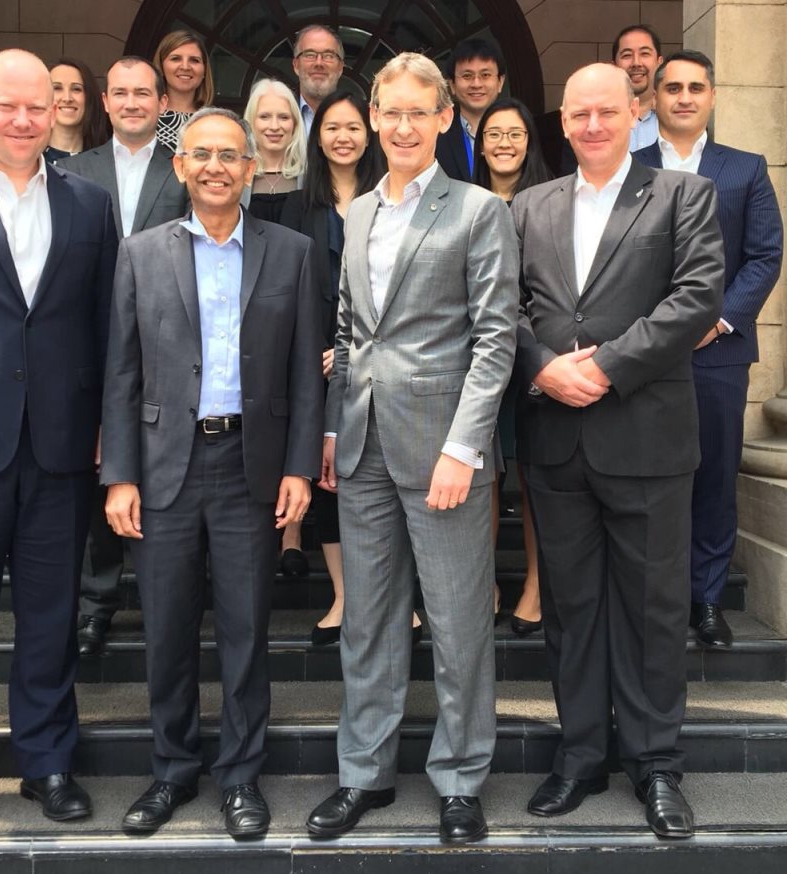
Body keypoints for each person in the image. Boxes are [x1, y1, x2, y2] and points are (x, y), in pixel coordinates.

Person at [305, 52, 518, 845]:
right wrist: (331, 426)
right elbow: (348, 330)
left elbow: (496, 340)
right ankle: (364, 773)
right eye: (386, 113)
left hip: (443, 454)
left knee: (460, 625)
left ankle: (460, 779)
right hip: (360, 448)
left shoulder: (474, 212)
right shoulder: (357, 212)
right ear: (375, 119)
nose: (399, 127)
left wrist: (465, 448)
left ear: (439, 120)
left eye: (414, 113)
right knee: (369, 622)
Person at [511, 63, 724, 839]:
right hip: (558, 442)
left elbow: (698, 295)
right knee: (572, 610)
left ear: (636, 113)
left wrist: (604, 365)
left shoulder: (681, 195)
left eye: (607, 110)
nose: (593, 124)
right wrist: (540, 366)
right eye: (578, 113)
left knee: (652, 610)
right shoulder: (529, 205)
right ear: (561, 123)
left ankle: (657, 763)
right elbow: (507, 308)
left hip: (646, 437)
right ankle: (580, 756)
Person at [100, 107, 323, 839]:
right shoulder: (140, 252)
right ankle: (170, 771)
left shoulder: (289, 251)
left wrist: (298, 467)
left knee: (244, 630)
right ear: (180, 166)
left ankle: (240, 776)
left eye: (231, 155)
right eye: (202, 155)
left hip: (249, 466)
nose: (217, 167)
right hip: (165, 467)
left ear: (252, 168)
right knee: (165, 630)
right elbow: (122, 372)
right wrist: (120, 474)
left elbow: (304, 372)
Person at [0, 48, 117, 847]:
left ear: (58, 112)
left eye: (38, 107)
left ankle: (48, 763)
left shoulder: (87, 205)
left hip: (60, 442)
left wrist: (112, 422)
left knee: (51, 615)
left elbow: (108, 324)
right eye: (7, 106)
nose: (23, 120)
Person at [634, 50, 783, 648]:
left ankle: (708, 599)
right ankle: (658, 600)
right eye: (673, 88)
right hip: (643, 354)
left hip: (717, 354)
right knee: (648, 479)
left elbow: (766, 254)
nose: (685, 97)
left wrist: (717, 320)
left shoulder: (744, 169)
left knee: (715, 476)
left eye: (697, 87)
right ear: (655, 99)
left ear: (712, 97)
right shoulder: (629, 165)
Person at [58, 56, 190, 656]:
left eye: (144, 93)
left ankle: (172, 596)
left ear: (162, 104)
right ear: (104, 103)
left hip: (165, 345)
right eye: (120, 93)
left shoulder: (184, 171)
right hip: (88, 344)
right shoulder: (67, 171)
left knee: (163, 469)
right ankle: (97, 602)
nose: (132, 102)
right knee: (98, 475)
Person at [280, 90, 422, 646]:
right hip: (311, 363)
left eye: (353, 127)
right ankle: (343, 595)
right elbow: (284, 287)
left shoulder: (391, 197)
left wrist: (348, 349)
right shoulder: (297, 203)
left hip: (379, 361)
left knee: (388, 477)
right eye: (332, 127)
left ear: (371, 132)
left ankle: (399, 599)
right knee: (332, 477)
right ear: (318, 136)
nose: (343, 136)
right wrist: (312, 351)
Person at [473, 96, 552, 634]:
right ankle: (484, 585)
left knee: (533, 475)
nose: (504, 142)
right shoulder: (464, 201)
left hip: (536, 359)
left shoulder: (552, 200)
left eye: (514, 133)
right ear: (480, 144)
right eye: (494, 134)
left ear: (530, 141)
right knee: (483, 476)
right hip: (475, 357)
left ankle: (535, 585)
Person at [435, 38, 505, 182]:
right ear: (452, 84)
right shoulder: (436, 135)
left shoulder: (520, 133)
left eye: (485, 75)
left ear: (500, 82)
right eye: (467, 76)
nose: (476, 84)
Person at [242, 78, 307, 225]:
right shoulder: (236, 175)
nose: (274, 126)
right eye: (264, 117)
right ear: (251, 121)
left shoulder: (312, 176)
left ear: (295, 123)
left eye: (283, 117)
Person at [153, 30, 214, 152]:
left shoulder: (216, 121)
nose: (185, 67)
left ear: (204, 71)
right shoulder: (145, 116)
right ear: (161, 66)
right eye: (176, 59)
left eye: (194, 60)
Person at [45, 57, 108, 162]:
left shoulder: (107, 161)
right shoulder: (30, 161)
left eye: (76, 89)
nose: (67, 98)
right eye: (57, 88)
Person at [612, 24, 663, 150]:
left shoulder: (676, 116)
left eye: (645, 54)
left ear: (659, 62)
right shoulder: (598, 119)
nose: (636, 63)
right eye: (627, 55)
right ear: (614, 66)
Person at [292, 24, 345, 138]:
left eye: (328, 56)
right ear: (296, 65)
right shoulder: (278, 114)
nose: (319, 63)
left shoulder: (359, 117)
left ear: (340, 67)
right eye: (310, 55)